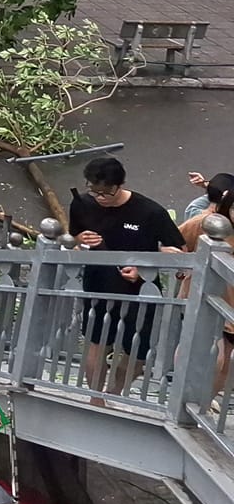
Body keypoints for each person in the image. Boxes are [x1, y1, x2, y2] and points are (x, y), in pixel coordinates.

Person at [68, 155, 186, 394]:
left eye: (106, 193)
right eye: (94, 192)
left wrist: (146, 267)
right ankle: (95, 398)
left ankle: (113, 394)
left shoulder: (150, 212)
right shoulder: (81, 203)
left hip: (139, 289)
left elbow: (179, 252)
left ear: (119, 185)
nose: (100, 198)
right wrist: (80, 239)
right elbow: (75, 235)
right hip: (99, 282)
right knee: (97, 342)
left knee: (138, 353)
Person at [180, 175, 234, 407]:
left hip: (230, 308)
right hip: (203, 298)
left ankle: (203, 404)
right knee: (216, 357)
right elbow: (173, 242)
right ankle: (185, 399)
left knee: (225, 363)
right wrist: (182, 264)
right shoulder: (204, 222)